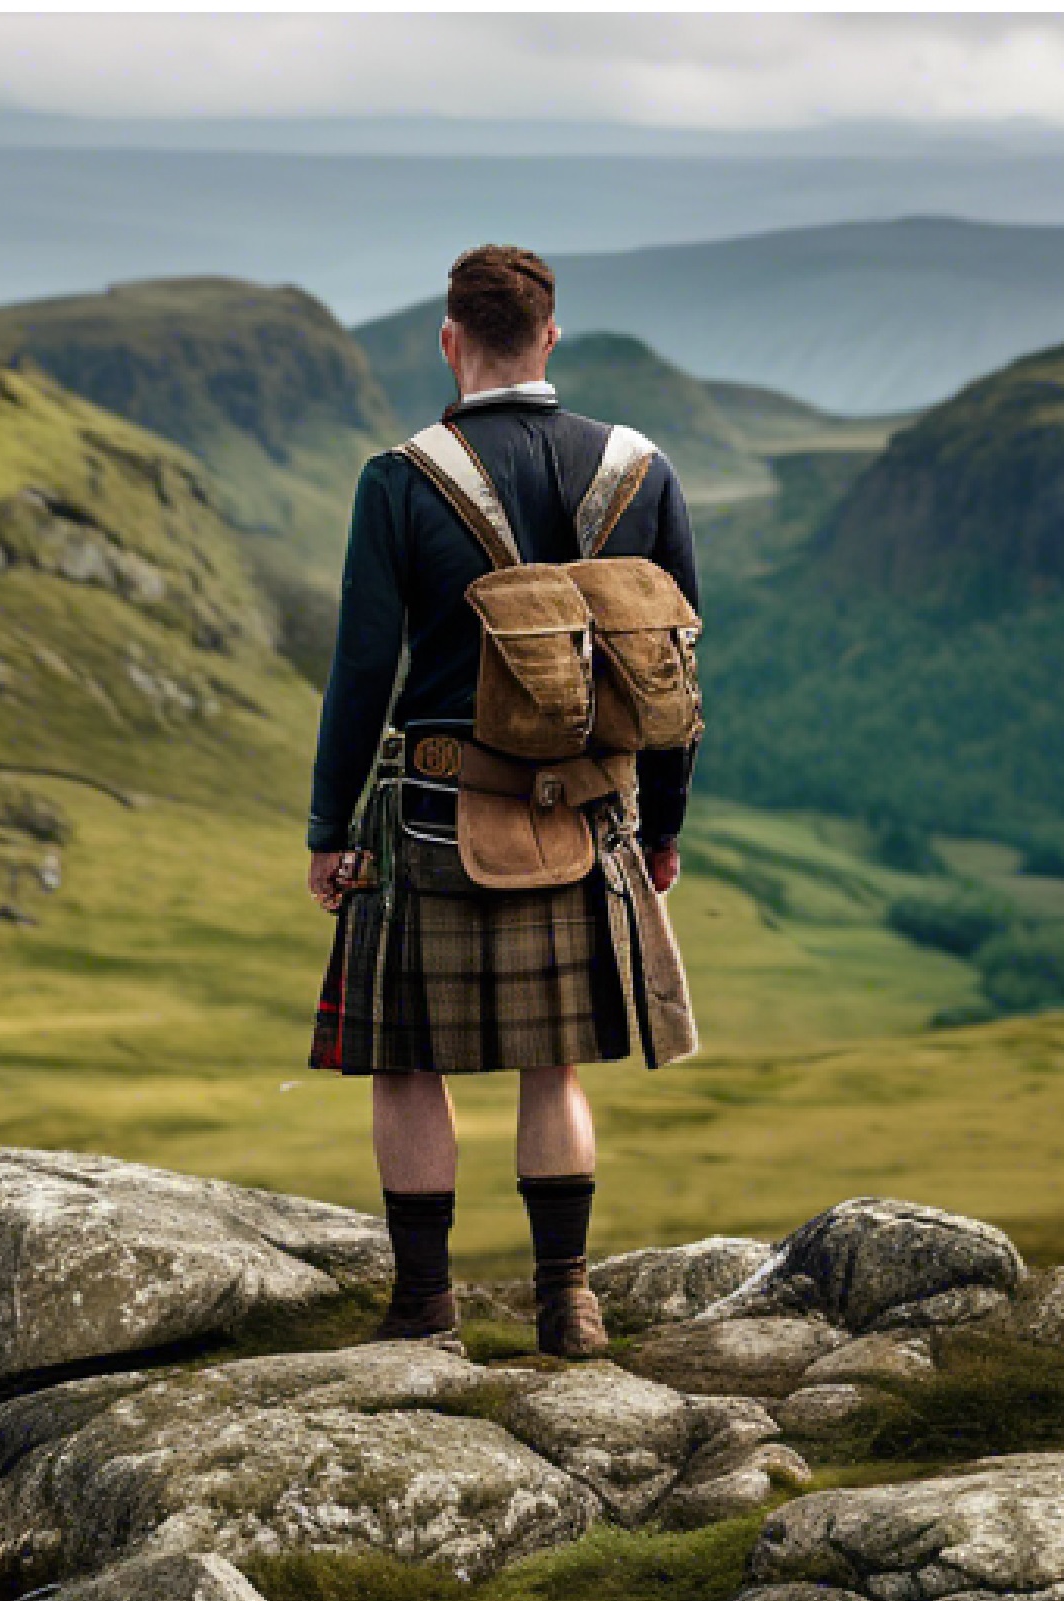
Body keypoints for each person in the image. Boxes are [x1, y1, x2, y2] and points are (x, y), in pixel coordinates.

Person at [305, 243, 701, 1358]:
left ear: (451, 341)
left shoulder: (401, 477)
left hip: (432, 813)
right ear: (549, 337)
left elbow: (359, 671)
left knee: (405, 1061)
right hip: (586, 818)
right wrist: (661, 828)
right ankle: (563, 1299)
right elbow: (671, 675)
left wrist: (327, 830)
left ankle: (424, 1302)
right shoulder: (639, 468)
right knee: (553, 1062)